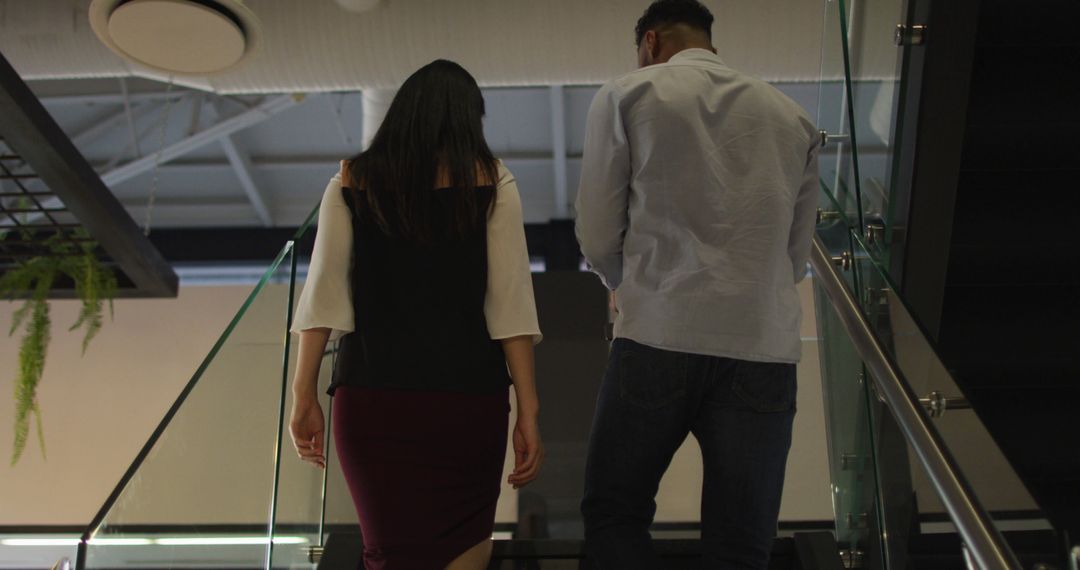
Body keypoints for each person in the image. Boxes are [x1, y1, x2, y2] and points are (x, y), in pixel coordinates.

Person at [575, 1, 821, 568]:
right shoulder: (792, 117)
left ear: (651, 43)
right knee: (741, 541)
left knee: (616, 513)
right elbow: (796, 255)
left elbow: (595, 229)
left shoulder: (626, 94)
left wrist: (625, 281)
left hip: (658, 332)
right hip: (761, 347)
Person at [288, 60, 544, 570]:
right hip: (467, 404)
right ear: (469, 121)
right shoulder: (494, 183)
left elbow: (323, 296)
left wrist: (304, 394)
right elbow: (510, 306)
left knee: (390, 555)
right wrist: (529, 410)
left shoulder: (351, 182)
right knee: (466, 552)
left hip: (375, 402)